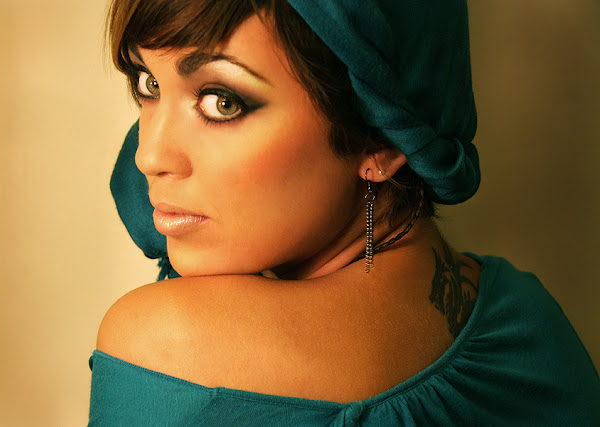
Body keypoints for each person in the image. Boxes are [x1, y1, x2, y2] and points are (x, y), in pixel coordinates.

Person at [88, 0, 600, 425]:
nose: (149, 156)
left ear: (380, 138)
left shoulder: (166, 347)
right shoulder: (533, 322)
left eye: (222, 102)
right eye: (148, 83)